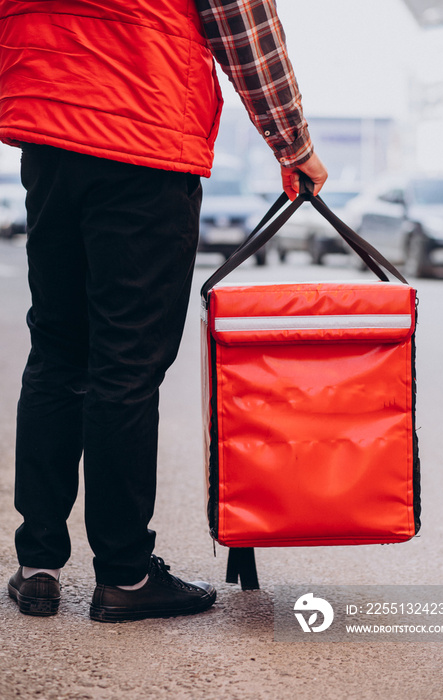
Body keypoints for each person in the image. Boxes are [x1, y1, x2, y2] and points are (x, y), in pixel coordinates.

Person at [0, 0, 327, 622]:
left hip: (48, 131)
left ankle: (37, 566)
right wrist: (293, 143)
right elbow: (241, 21)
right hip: (142, 135)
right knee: (126, 364)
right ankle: (124, 574)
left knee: (57, 352)